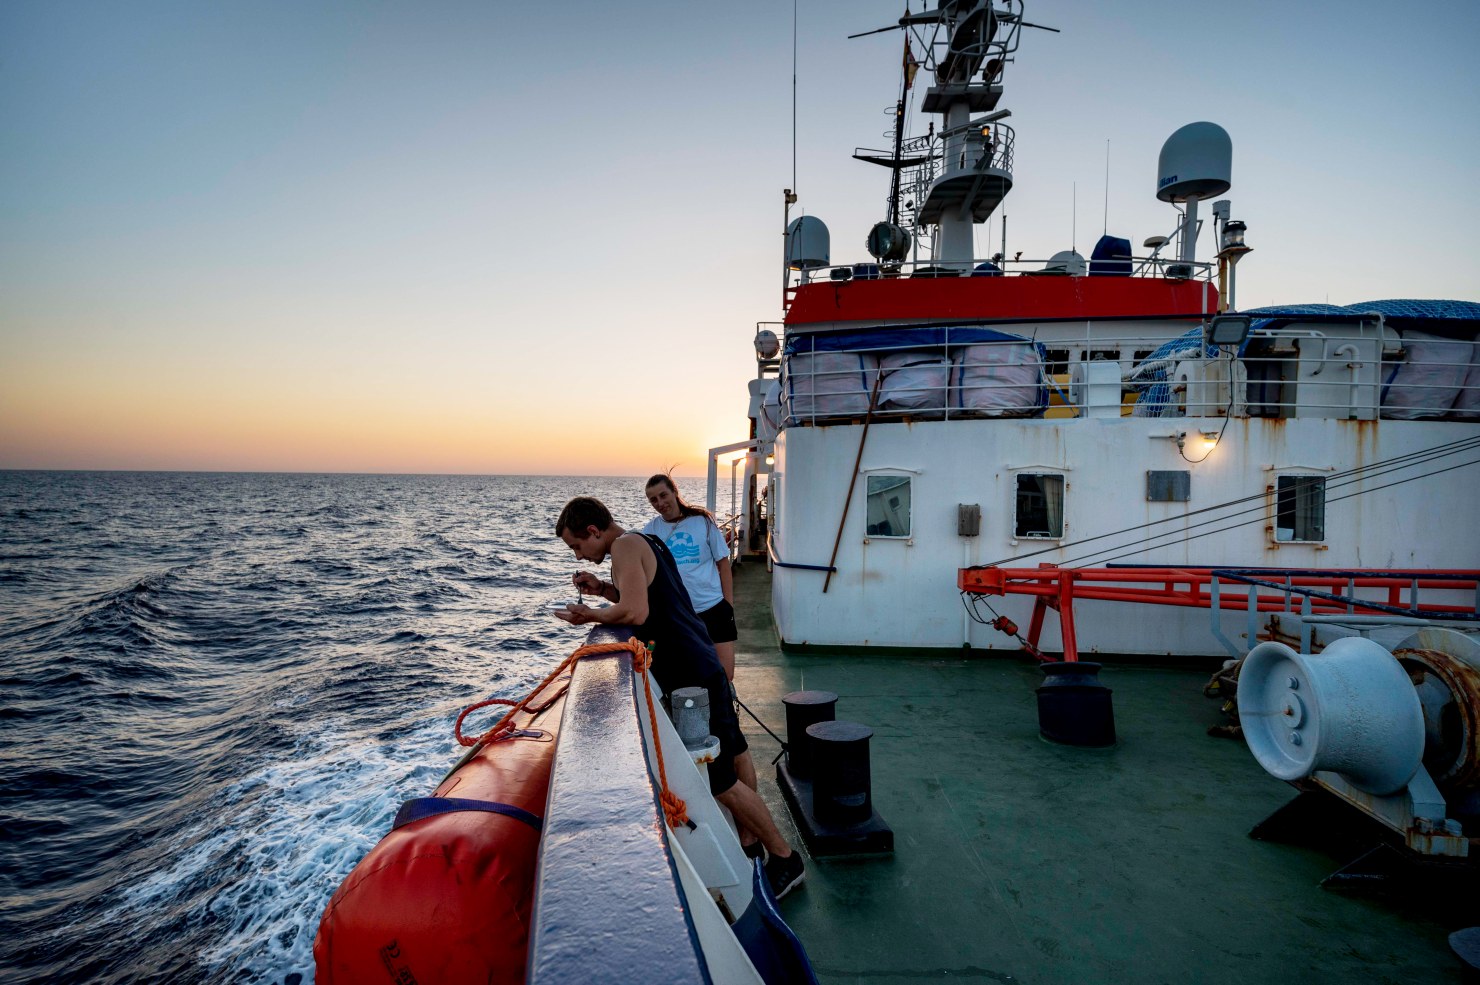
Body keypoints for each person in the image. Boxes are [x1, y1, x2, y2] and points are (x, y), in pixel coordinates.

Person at [553, 496, 805, 899]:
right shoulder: (645, 540)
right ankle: (750, 842)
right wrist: (603, 589)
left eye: (577, 546)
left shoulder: (623, 548)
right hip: (703, 659)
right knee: (736, 751)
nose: (579, 554)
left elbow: (635, 612)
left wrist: (590, 615)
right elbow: (649, 598)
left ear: (594, 532)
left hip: (690, 674)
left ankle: (785, 858)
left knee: (721, 781)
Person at [641, 474, 762, 807]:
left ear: (675, 493)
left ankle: (727, 726)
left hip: (712, 609)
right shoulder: (651, 530)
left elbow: (723, 564)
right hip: (682, 616)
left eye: (663, 495)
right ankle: (713, 727)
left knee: (724, 675)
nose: (660, 503)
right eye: (653, 499)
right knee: (702, 676)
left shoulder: (702, 523)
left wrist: (727, 605)